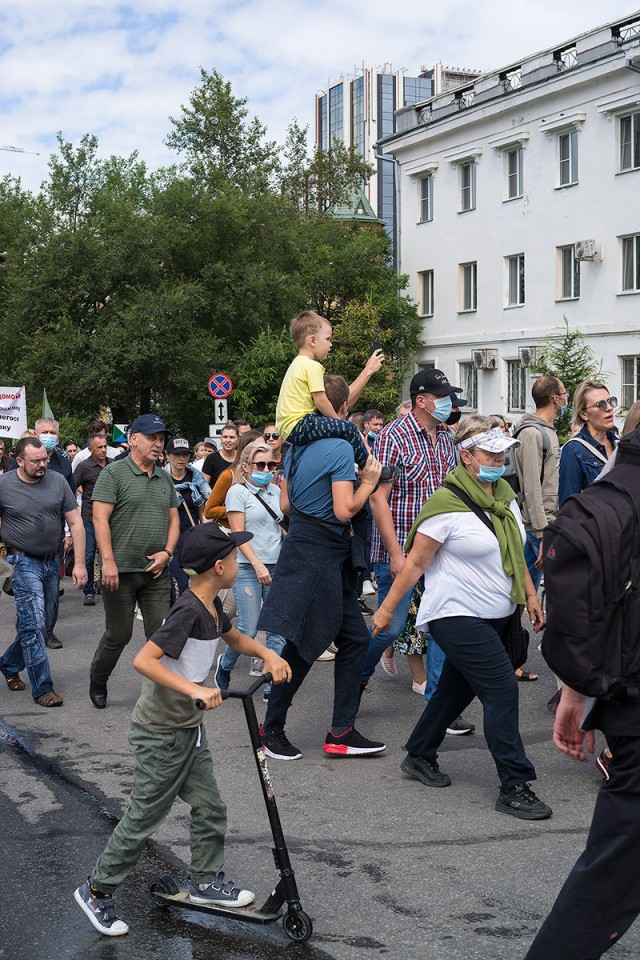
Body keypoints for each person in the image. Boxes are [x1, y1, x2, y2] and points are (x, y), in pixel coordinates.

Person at [74, 521, 291, 937]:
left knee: (210, 806)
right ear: (218, 566)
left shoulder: (211, 607)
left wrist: (267, 653)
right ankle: (96, 891)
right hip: (161, 733)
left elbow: (236, 639)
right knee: (142, 819)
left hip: (187, 729)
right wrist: (195, 688)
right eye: (232, 556)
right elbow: (145, 661)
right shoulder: (188, 609)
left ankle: (206, 882)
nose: (236, 560)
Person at [371, 418, 550, 820]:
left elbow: (514, 551)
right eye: (490, 453)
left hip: (499, 615)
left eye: (502, 452)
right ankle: (514, 784)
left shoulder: (504, 495)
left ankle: (419, 753)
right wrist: (385, 610)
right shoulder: (445, 505)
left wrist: (532, 593)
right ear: (466, 457)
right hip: (455, 615)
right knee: (502, 690)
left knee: (455, 689)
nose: (499, 459)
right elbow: (416, 562)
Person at [524, 429, 640, 959]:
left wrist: (577, 692)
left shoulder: (615, 492)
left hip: (624, 696)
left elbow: (592, 610)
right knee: (611, 873)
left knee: (613, 867)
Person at [259, 374, 386, 760]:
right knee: (305, 643)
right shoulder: (335, 446)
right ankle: (273, 727)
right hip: (320, 550)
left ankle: (341, 731)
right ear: (342, 408)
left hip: (310, 546)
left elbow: (284, 506)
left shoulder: (297, 446)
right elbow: (345, 508)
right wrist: (370, 481)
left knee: (352, 640)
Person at [360, 369, 474, 736]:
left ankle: (440, 701)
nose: (449, 404)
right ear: (422, 401)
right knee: (389, 625)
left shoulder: (446, 437)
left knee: (444, 623)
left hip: (440, 550)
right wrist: (395, 553)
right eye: (442, 397)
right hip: (400, 548)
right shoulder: (393, 436)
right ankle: (355, 678)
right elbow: (378, 499)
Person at [89, 414, 180, 710]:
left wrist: (167, 553)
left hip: (156, 572)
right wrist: (108, 563)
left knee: (159, 634)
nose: (158, 444)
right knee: (119, 634)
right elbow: (99, 518)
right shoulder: (114, 473)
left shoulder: (164, 477)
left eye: (161, 439)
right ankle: (98, 678)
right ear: (133, 440)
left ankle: (159, 693)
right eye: (152, 437)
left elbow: (174, 518)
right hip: (120, 571)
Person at [0, 437, 87, 706]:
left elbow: (76, 522)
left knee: (42, 622)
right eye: (36, 460)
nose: (42, 464)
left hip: (53, 562)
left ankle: (8, 664)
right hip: (22, 561)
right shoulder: (4, 485)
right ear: (19, 461)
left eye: (45, 459)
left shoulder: (58, 482)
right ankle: (43, 688)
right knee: (34, 623)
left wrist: (81, 563)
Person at [215, 441, 286, 700]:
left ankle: (272, 682)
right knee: (248, 629)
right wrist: (257, 565)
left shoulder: (277, 492)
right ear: (246, 467)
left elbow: (281, 527)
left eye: (271, 464)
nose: (266, 469)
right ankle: (226, 665)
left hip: (277, 565)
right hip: (247, 567)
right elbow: (238, 534)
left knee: (277, 628)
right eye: (260, 464)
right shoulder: (237, 492)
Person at [275, 310, 384, 471]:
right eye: (327, 339)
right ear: (312, 340)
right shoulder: (312, 366)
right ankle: (370, 468)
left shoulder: (296, 363)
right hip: (300, 424)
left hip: (287, 427)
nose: (330, 344)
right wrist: (339, 422)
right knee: (350, 428)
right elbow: (320, 400)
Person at [164, 437, 211, 605]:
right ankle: (177, 620)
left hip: (192, 538)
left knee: (199, 583)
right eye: (177, 454)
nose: (181, 458)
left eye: (185, 454)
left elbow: (202, 510)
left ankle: (192, 621)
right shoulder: (160, 478)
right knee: (180, 584)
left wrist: (206, 534)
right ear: (168, 455)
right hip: (170, 540)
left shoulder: (195, 477)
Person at [558, 380, 618, 506]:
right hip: (596, 524)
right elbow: (568, 507)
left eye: (610, 401)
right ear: (584, 414)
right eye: (600, 404)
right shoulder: (573, 450)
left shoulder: (620, 444)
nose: (609, 408)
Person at [73, 434, 113, 606]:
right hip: (89, 517)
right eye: (99, 447)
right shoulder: (84, 467)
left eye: (105, 446)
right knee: (89, 555)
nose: (103, 450)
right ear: (90, 449)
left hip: (112, 518)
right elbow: (70, 488)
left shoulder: (114, 465)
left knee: (109, 554)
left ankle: (108, 587)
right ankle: (89, 591)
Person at [204, 430, 264, 528]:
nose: (263, 450)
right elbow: (209, 511)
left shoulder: (267, 476)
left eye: (264, 447)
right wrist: (238, 510)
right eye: (257, 448)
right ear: (246, 450)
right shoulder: (229, 475)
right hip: (235, 536)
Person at [261, 422, 286, 486]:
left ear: (283, 439)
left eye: (275, 436)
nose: (271, 439)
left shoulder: (289, 461)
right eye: (267, 436)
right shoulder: (257, 462)